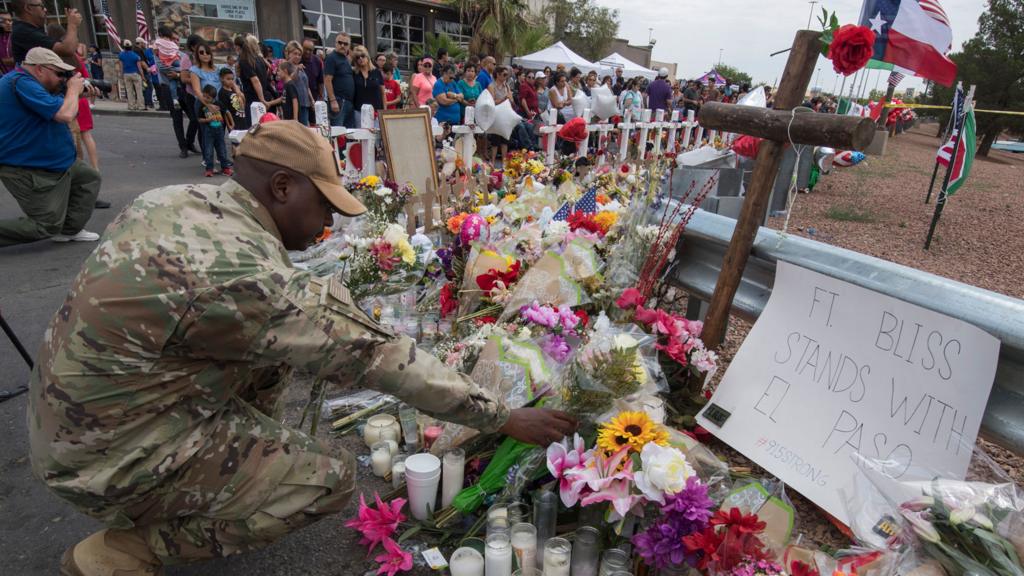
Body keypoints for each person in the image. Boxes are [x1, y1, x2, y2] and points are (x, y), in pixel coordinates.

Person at [35, 120, 576, 573]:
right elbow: (379, 356)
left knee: (273, 364)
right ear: (281, 187)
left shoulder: (176, 201)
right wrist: (502, 418)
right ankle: (127, 549)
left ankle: (213, 481)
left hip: (77, 421)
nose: (326, 227)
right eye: (324, 208)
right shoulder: (243, 275)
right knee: (327, 480)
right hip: (106, 456)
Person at [0, 47, 102, 245]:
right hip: (28, 167)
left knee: (88, 178)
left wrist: (76, 95)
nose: (62, 79)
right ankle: (58, 228)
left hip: (56, 162)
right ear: (39, 69)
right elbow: (64, 115)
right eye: (58, 73)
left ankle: (69, 230)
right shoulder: (20, 82)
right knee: (45, 225)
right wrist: (73, 90)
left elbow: (53, 106)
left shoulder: (31, 84)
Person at [11, 1, 80, 64]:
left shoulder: (30, 29)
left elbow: (67, 46)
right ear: (28, 8)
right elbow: (67, 49)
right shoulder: (24, 31)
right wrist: (72, 25)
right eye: (41, 6)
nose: (45, 10)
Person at [237, 34, 281, 119]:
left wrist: (262, 99)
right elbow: (265, 79)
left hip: (253, 100)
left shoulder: (246, 61)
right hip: (264, 96)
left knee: (254, 128)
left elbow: (255, 80)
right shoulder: (261, 60)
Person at [198, 84, 231, 177]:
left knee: (222, 150)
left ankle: (225, 168)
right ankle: (209, 169)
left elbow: (226, 113)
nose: (205, 99)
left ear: (213, 98)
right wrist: (207, 120)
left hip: (219, 130)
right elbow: (199, 119)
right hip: (208, 131)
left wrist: (228, 123)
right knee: (208, 151)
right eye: (204, 96)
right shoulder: (202, 106)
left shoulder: (219, 104)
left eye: (207, 97)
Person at [324, 32, 354, 128]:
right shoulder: (331, 58)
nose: (342, 45)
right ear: (335, 43)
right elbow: (327, 80)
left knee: (350, 136)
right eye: (340, 42)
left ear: (349, 46)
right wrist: (333, 100)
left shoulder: (346, 59)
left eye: (345, 44)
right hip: (339, 101)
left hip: (349, 102)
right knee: (338, 134)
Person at [284, 40, 313, 125]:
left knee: (305, 128)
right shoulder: (285, 66)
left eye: (299, 54)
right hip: (294, 104)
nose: (297, 56)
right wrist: (297, 70)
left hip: (305, 103)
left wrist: (311, 100)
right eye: (295, 54)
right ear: (288, 53)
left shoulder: (300, 67)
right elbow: (289, 80)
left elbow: (306, 86)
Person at [487, 66, 512, 165]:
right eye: (504, 74)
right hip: (496, 114)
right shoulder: (491, 86)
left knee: (505, 140)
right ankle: (493, 161)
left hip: (506, 114)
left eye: (507, 75)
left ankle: (504, 162)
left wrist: (510, 98)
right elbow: (492, 101)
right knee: (495, 140)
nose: (506, 77)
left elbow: (511, 100)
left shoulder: (507, 86)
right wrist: (504, 98)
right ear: (498, 74)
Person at [351, 44, 384, 114]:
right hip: (358, 111)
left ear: (367, 56)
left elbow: (383, 94)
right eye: (357, 57)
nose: (360, 59)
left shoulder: (377, 72)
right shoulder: (354, 73)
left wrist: (385, 111)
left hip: (376, 112)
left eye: (362, 56)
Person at [152, 27, 181, 103]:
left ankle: (175, 99)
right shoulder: (175, 48)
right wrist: (179, 71)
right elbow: (161, 68)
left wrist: (177, 74)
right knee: (172, 81)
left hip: (182, 86)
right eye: (174, 39)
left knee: (172, 80)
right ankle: (175, 99)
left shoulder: (158, 42)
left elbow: (187, 70)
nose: (176, 41)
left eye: (177, 39)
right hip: (168, 83)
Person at [116, 39, 145, 111]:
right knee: (139, 91)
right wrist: (143, 76)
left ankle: (131, 106)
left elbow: (121, 66)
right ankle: (141, 106)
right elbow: (139, 67)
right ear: (131, 46)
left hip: (126, 74)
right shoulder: (135, 56)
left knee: (129, 91)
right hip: (135, 73)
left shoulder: (121, 55)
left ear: (124, 47)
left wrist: (121, 74)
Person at [217, 67, 245, 131]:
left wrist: (238, 91)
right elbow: (225, 111)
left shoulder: (234, 89)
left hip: (242, 118)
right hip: (234, 122)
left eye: (232, 79)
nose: (231, 81)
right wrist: (229, 125)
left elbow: (243, 101)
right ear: (221, 79)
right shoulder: (222, 93)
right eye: (228, 79)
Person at [301, 39, 323, 110]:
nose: (307, 52)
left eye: (310, 50)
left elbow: (320, 81)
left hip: (314, 97)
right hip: (300, 98)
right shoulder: (297, 58)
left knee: (314, 120)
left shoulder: (317, 61)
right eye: (305, 49)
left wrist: (321, 97)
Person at [0, 11, 13, 76]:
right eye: (3, 21)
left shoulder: (16, 37)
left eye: (10, 20)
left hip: (15, 76)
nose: (8, 23)